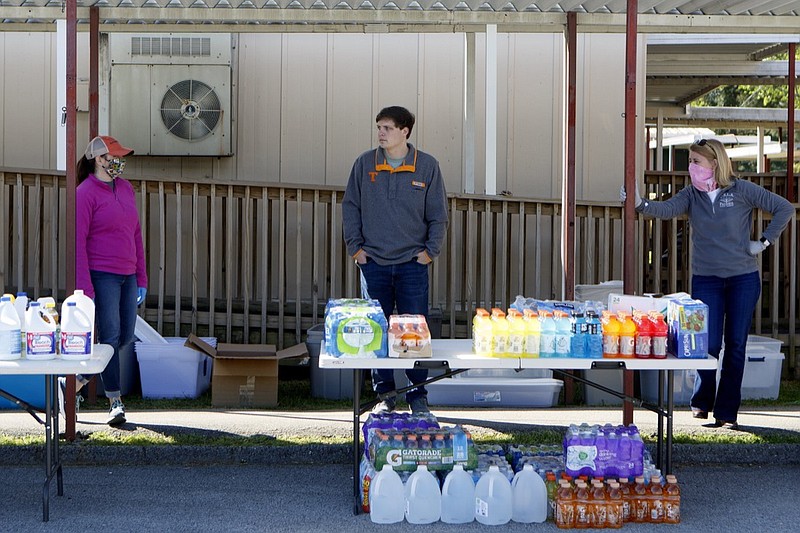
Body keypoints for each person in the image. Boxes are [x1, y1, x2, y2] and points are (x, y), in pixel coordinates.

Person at [621, 138, 792, 430]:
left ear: (714, 163)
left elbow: (784, 207)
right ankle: (702, 401)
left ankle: (727, 413)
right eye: (690, 161)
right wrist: (639, 202)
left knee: (736, 344)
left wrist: (763, 242)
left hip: (743, 278)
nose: (691, 167)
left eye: (696, 161)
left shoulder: (741, 190)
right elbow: (665, 210)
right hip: (707, 279)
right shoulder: (692, 195)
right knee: (706, 344)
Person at [342, 106, 449, 415]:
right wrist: (356, 250)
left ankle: (418, 395)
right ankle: (384, 395)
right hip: (373, 262)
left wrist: (429, 253)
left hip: (412, 265)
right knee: (376, 329)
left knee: (415, 330)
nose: (381, 133)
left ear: (405, 131)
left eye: (387, 128)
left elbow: (439, 216)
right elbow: (350, 207)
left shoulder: (427, 166)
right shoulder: (364, 164)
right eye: (378, 127)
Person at [59, 135, 148, 426]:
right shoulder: (85, 193)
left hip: (128, 274)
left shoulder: (126, 188)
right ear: (99, 159)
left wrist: (141, 276)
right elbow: (78, 243)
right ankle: (115, 401)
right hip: (103, 275)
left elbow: (136, 234)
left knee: (124, 338)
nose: (119, 162)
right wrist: (85, 288)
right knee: (109, 338)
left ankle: (75, 382)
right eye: (114, 157)